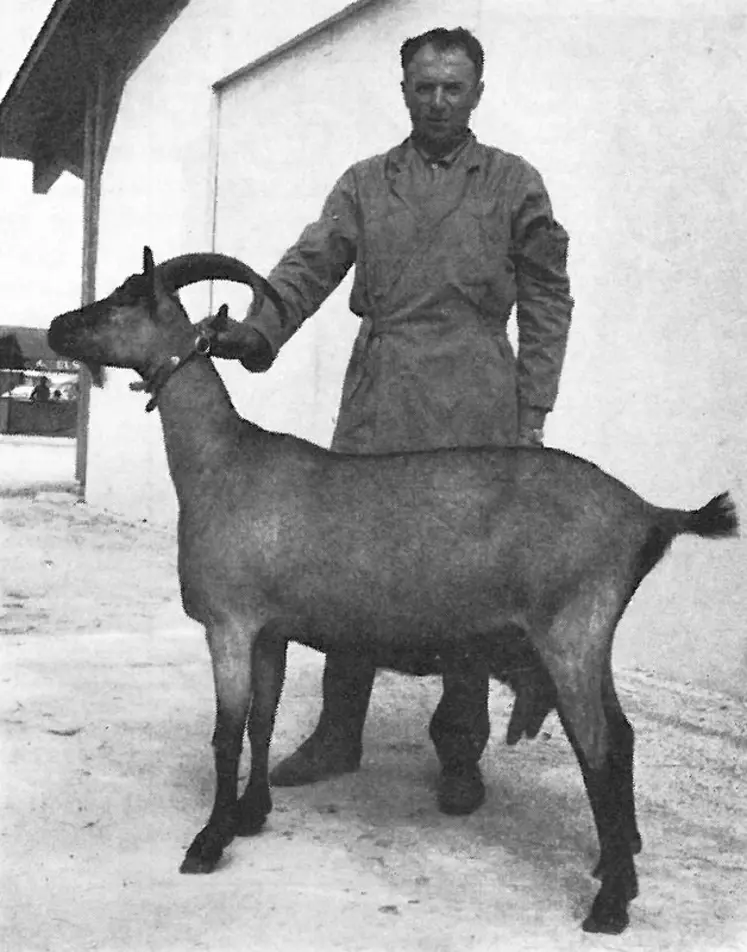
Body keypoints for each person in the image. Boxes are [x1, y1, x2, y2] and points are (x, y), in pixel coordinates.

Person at [211, 27, 573, 816]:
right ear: (402, 90)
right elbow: (309, 264)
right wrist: (257, 329)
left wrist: (531, 412)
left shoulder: (515, 184)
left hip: (477, 402)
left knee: (467, 582)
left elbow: (547, 297)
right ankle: (339, 732)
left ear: (477, 91)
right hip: (381, 401)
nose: (437, 100)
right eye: (423, 87)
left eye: (453, 87)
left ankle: (459, 751)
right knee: (344, 568)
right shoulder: (365, 183)